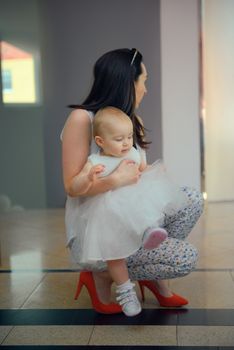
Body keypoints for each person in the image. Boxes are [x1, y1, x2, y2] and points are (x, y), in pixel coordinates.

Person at [61, 48, 203, 315]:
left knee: (192, 199)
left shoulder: (130, 120)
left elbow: (137, 173)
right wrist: (114, 180)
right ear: (127, 82)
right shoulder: (84, 119)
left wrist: (152, 176)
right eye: (144, 80)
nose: (146, 89)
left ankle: (149, 269)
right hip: (96, 230)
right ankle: (103, 274)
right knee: (185, 258)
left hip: (130, 216)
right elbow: (71, 186)